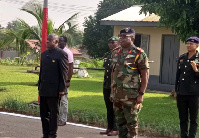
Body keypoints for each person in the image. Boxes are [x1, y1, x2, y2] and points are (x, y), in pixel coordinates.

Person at [111, 27, 149, 138]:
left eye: (124, 37)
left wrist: (141, 94)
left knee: (131, 124)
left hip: (131, 96)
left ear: (132, 38)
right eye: (120, 36)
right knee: (120, 124)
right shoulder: (115, 53)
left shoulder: (139, 54)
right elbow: (113, 73)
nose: (121, 39)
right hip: (117, 94)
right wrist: (112, 92)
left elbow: (145, 75)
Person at [38, 34, 68, 138]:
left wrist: (62, 89)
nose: (47, 42)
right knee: (43, 114)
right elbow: (42, 72)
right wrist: (39, 86)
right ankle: (45, 133)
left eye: (50, 40)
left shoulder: (61, 54)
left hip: (54, 90)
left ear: (56, 42)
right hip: (44, 88)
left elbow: (63, 73)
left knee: (53, 114)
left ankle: (52, 134)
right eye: (47, 40)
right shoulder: (44, 54)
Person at [174, 37, 199, 138]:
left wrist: (196, 70)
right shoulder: (182, 57)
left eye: (191, 44)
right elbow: (178, 76)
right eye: (187, 43)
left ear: (197, 45)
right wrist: (176, 91)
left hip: (194, 93)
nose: (188, 45)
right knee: (183, 118)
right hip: (182, 93)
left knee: (193, 119)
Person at [100, 36, 120, 136]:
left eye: (113, 42)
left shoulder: (120, 54)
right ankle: (109, 127)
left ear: (118, 43)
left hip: (115, 85)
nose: (110, 44)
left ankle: (116, 129)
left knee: (115, 107)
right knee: (108, 107)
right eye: (109, 42)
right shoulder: (107, 54)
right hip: (107, 84)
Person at [58, 35, 74, 126]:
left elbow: (70, 67)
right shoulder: (56, 51)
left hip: (64, 80)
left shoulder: (68, 52)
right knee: (57, 100)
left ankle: (63, 119)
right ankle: (57, 118)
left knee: (64, 100)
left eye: (62, 41)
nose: (60, 43)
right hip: (57, 80)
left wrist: (68, 80)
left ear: (65, 42)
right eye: (58, 41)